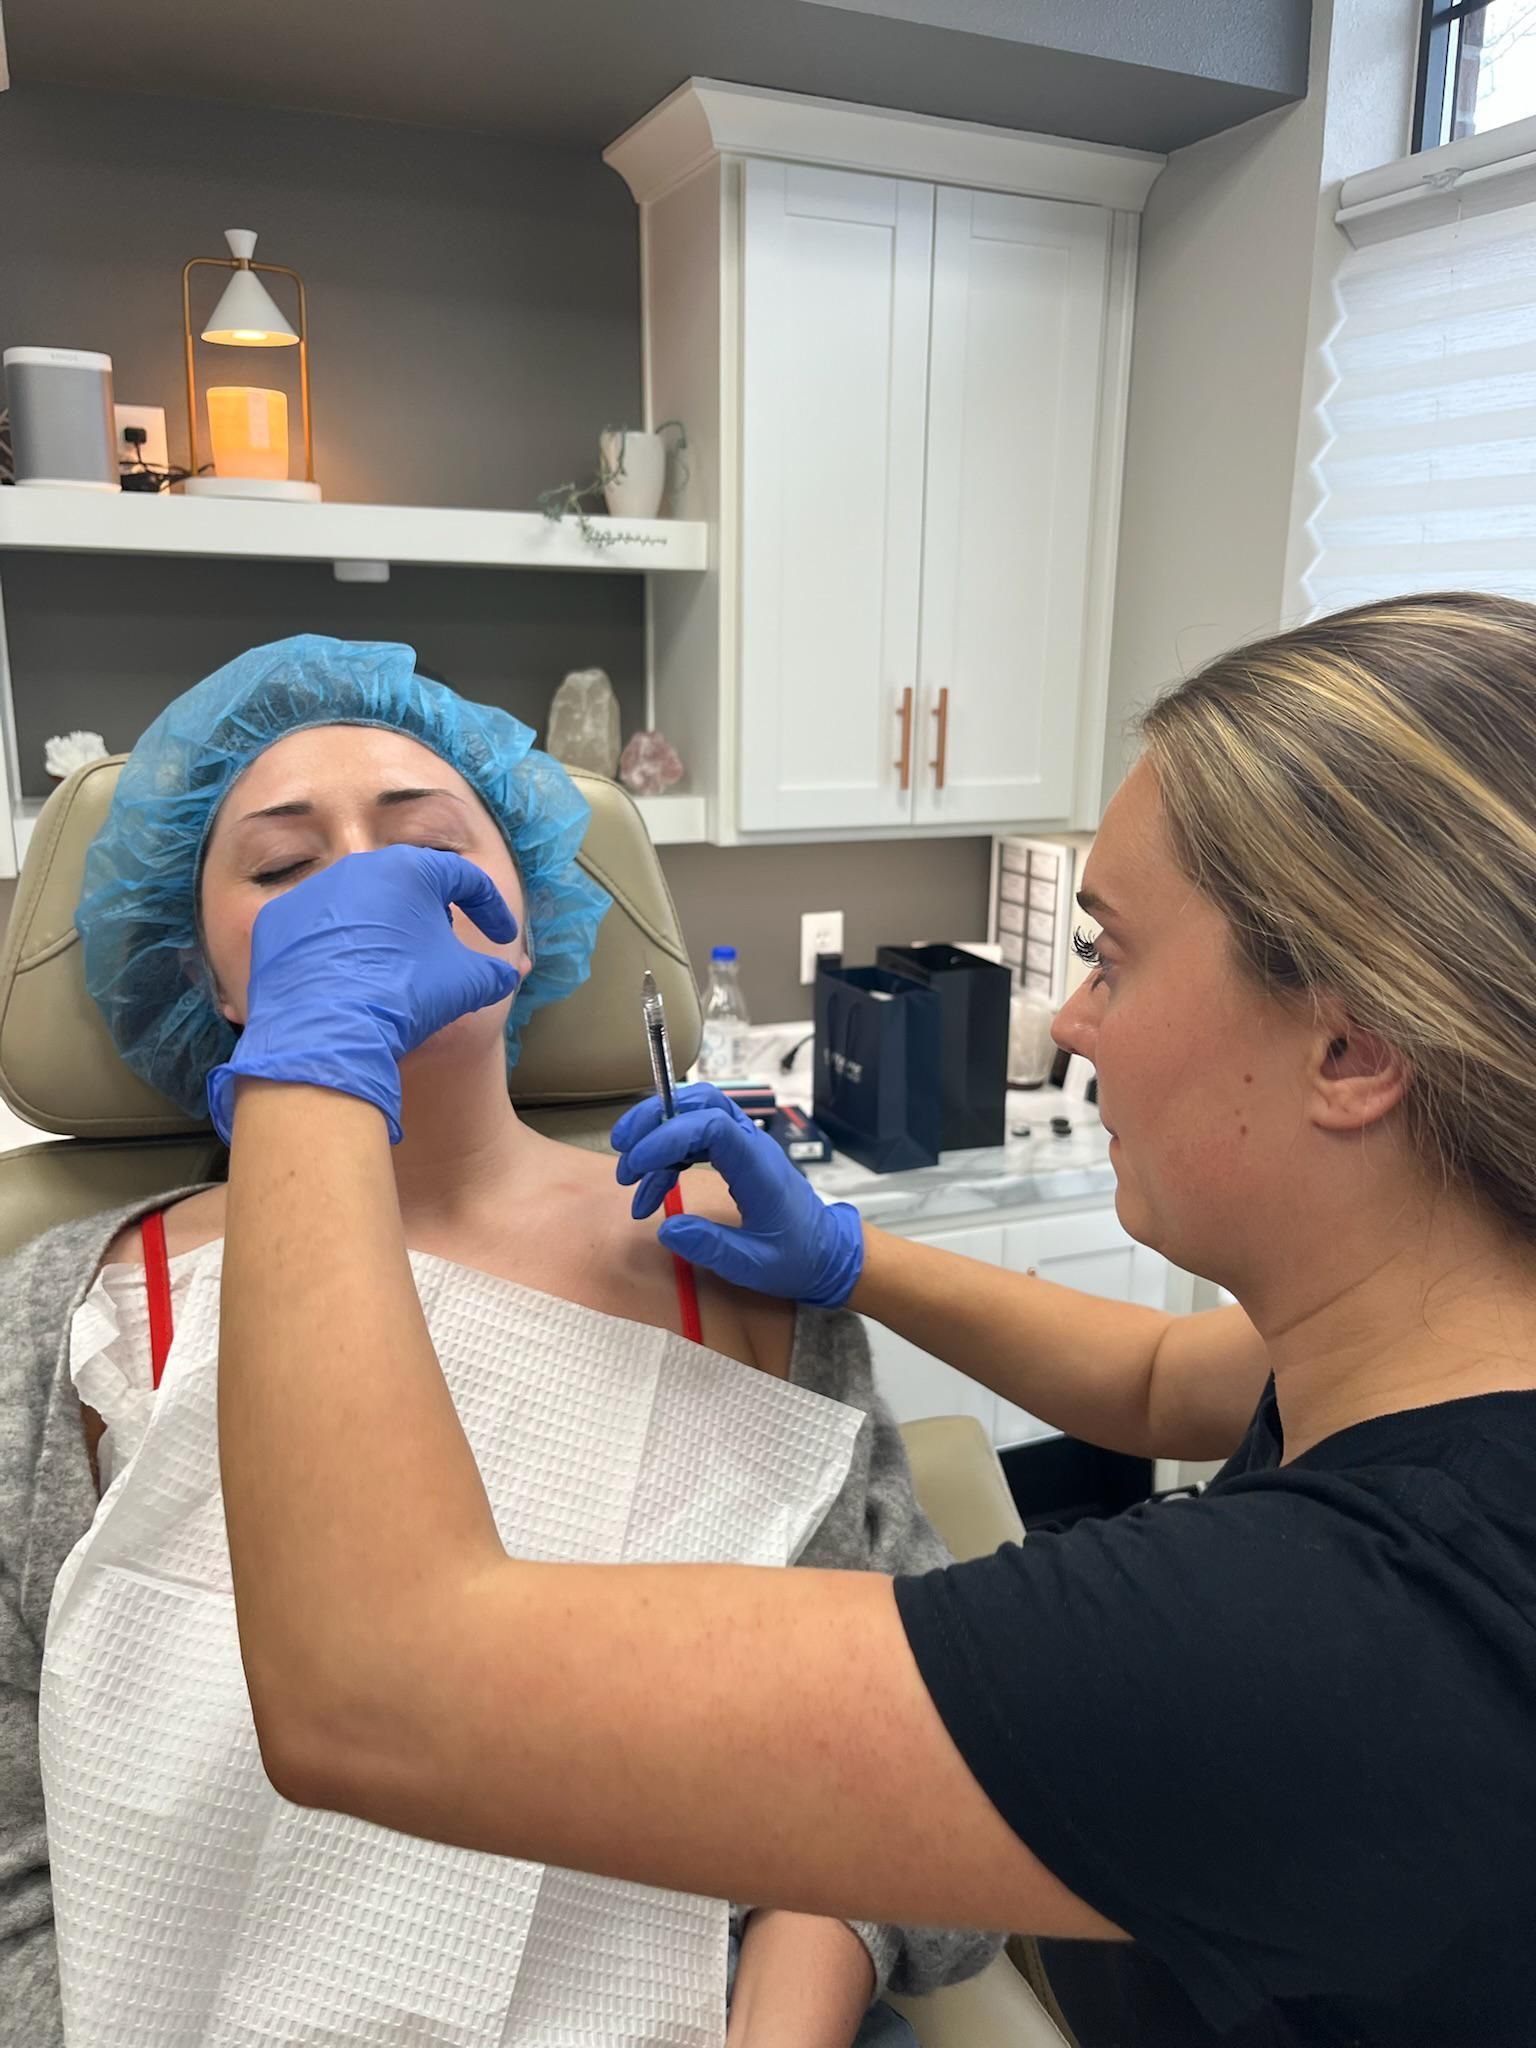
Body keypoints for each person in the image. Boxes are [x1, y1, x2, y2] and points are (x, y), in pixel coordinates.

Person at [209, 592, 1536, 2047]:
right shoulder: (1437, 1349)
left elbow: (375, 1690)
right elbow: (1163, 1378)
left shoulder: (1342, 1639)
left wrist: (311, 1055)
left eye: (1110, 957)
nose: (1072, 1022)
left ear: (1349, 1050)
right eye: (289, 872)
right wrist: (846, 1257)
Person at [0, 635, 1000, 2048]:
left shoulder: (730, 1263)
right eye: (287, 871)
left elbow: (907, 1766)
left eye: (425, 848)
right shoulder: (85, 1313)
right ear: (213, 977)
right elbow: (20, 1846)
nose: (369, 892)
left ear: (521, 919)